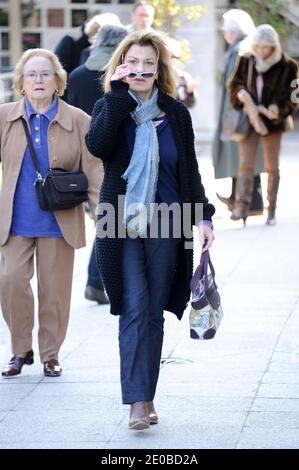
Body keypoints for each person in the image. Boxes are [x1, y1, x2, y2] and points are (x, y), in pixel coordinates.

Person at [86, 31, 215, 430]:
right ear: (122, 65)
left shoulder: (176, 113)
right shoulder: (112, 105)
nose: (141, 69)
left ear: (159, 69)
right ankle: (136, 403)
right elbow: (98, 146)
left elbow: (188, 171)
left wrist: (204, 216)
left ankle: (147, 394)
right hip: (120, 221)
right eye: (134, 62)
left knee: (154, 311)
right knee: (135, 304)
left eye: (149, 63)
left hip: (170, 220)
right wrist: (120, 94)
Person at [0, 48, 103, 378]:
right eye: (32, 74)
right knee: (11, 280)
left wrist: (103, 215)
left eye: (45, 74)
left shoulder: (78, 120)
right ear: (21, 83)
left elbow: (95, 169)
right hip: (15, 221)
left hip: (59, 220)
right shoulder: (4, 117)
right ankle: (20, 350)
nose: (39, 80)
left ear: (59, 81)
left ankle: (49, 354)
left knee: (54, 292)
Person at [68, 24, 128, 304]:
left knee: (106, 218)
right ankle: (96, 279)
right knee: (112, 219)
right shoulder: (121, 76)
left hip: (81, 154)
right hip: (113, 155)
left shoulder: (77, 75)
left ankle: (100, 279)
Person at [228, 24, 299, 225]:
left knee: (272, 166)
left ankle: (272, 210)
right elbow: (234, 85)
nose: (262, 51)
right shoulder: (246, 60)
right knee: (246, 164)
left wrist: (278, 109)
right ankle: (242, 208)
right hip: (250, 119)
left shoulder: (288, 65)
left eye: (266, 47)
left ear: (274, 47)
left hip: (274, 123)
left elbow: (294, 97)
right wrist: (241, 95)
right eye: (258, 46)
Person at [213, 9, 264, 216]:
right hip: (244, 112)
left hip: (238, 113)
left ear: (234, 30)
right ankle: (246, 201)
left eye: (226, 29)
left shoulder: (239, 49)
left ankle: (247, 203)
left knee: (240, 156)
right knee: (244, 157)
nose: (225, 33)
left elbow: (235, 85)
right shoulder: (248, 46)